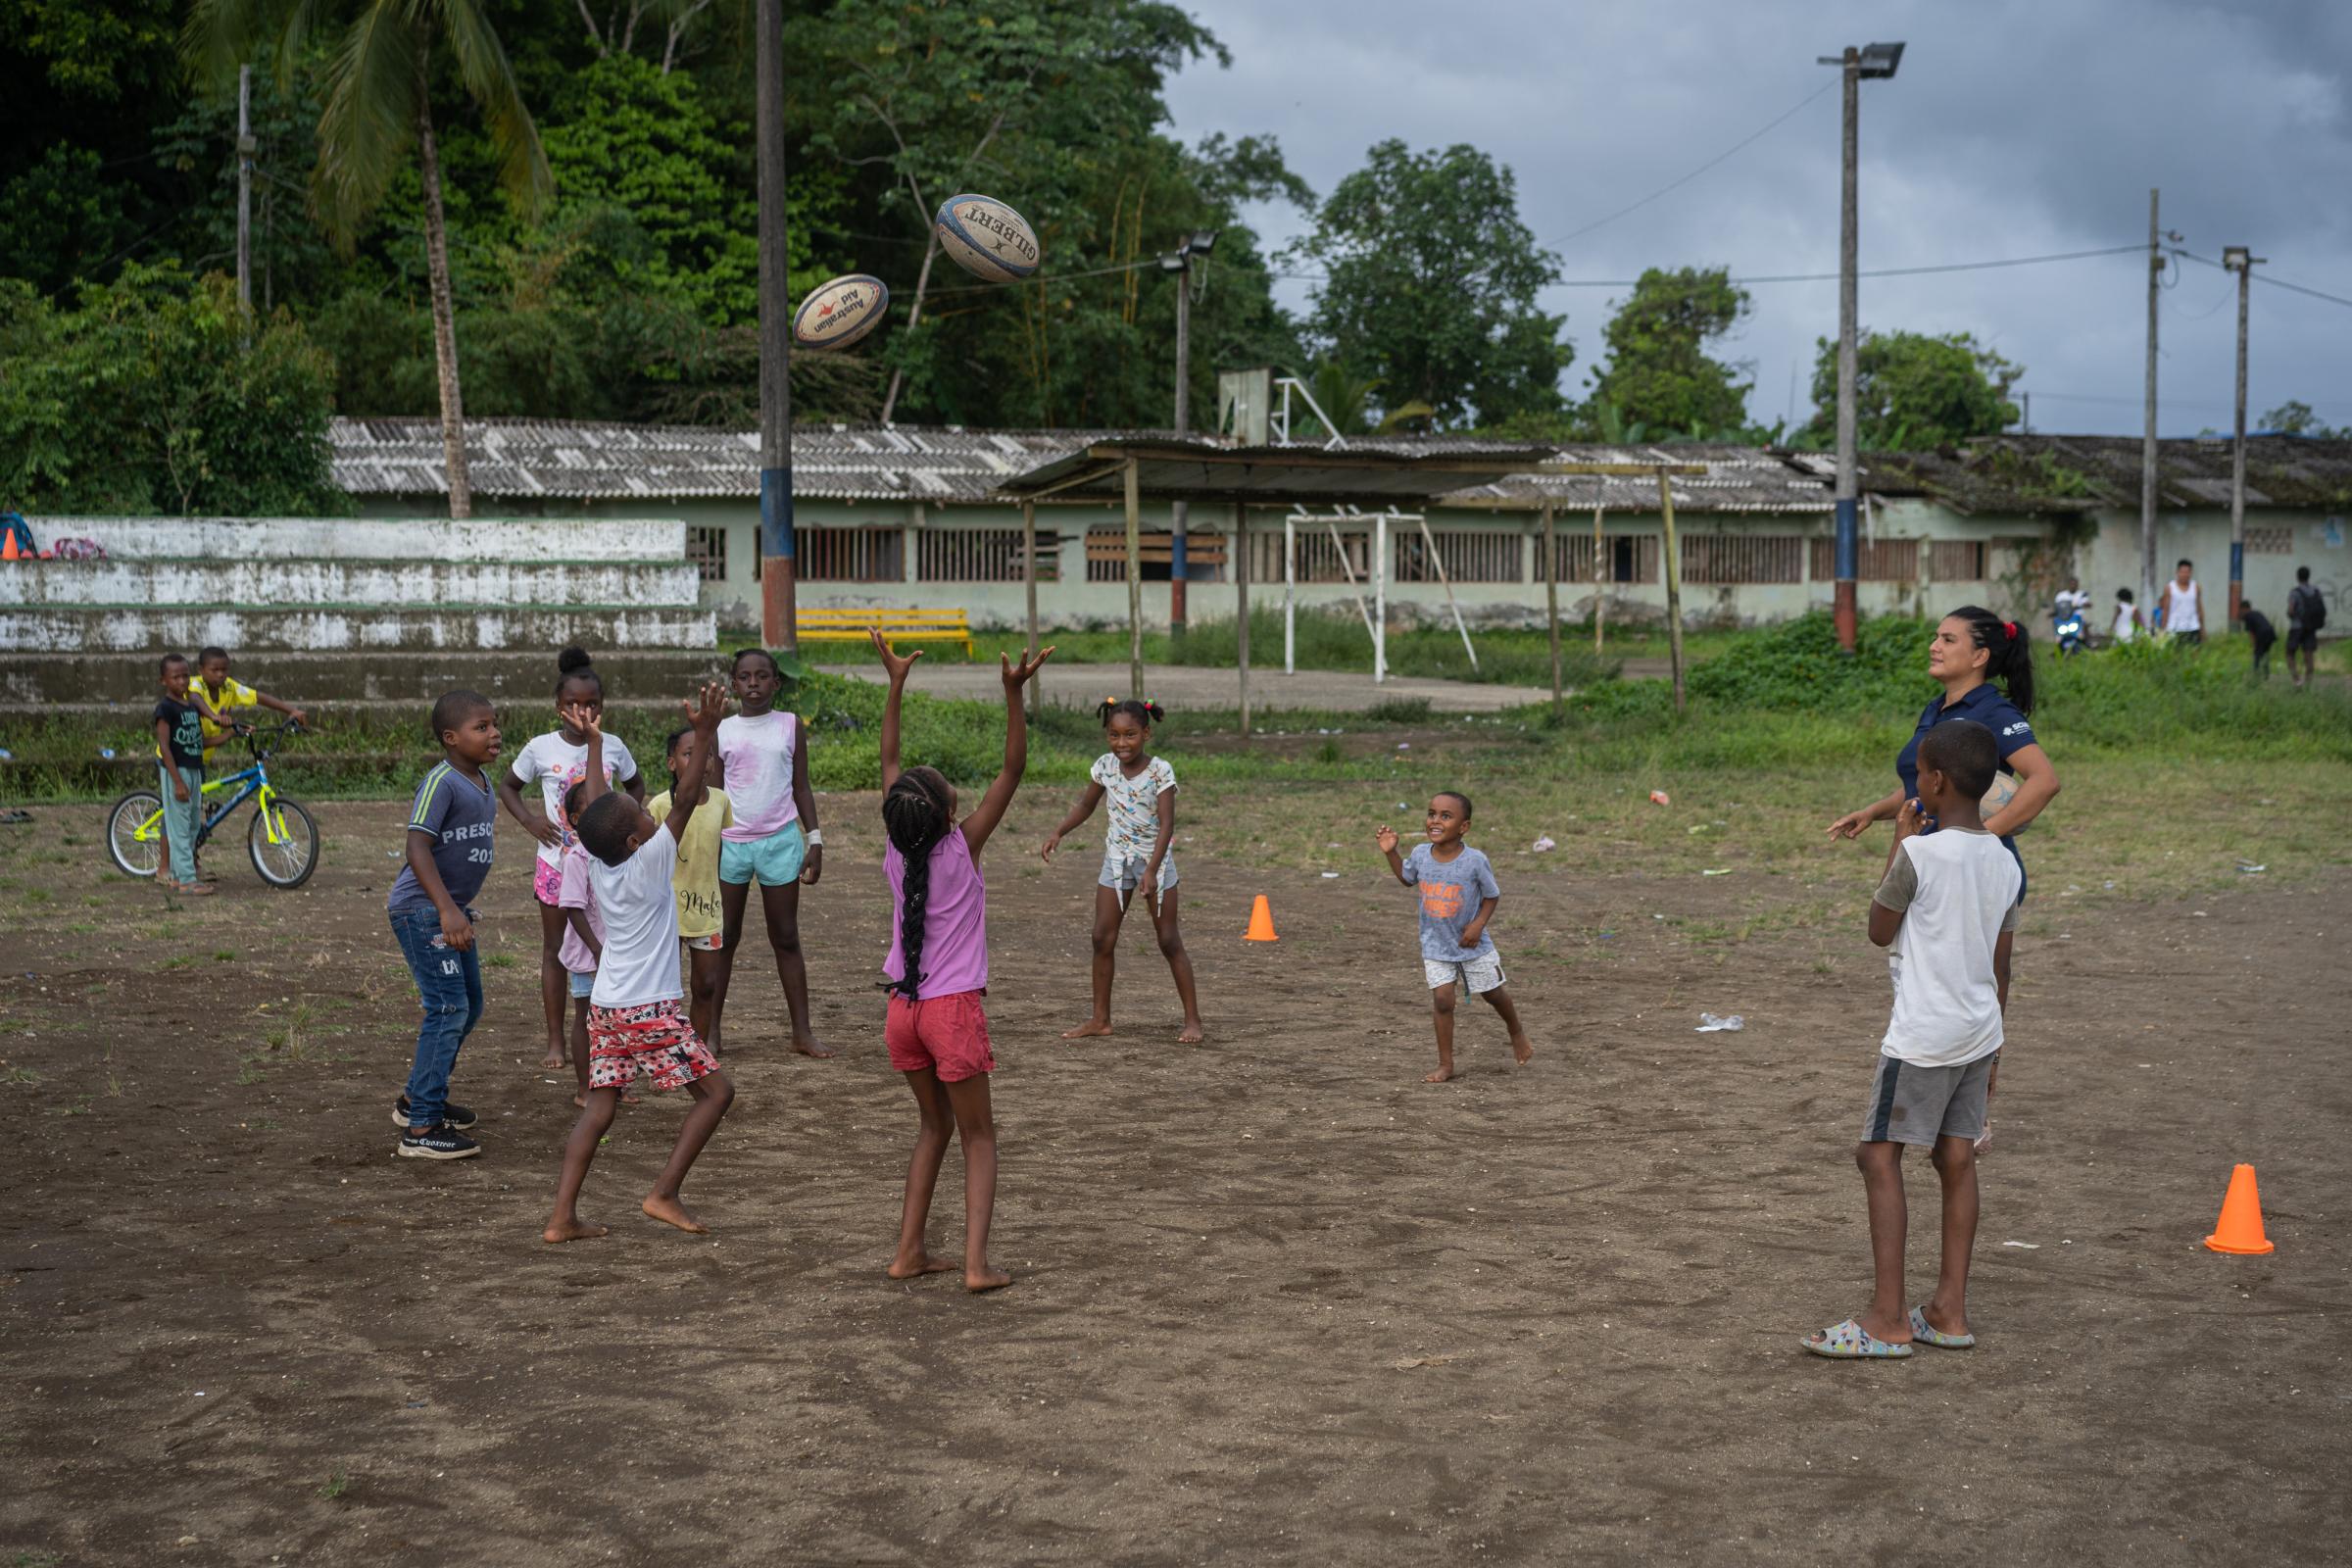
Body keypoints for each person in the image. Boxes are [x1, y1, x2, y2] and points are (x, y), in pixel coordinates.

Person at [1805, 720, 2019, 1358]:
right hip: (1979, 1029)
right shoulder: (2004, 864)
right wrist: (1996, 1052)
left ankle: (1886, 1318)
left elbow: (1879, 928)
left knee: (1878, 1157)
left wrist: (1899, 843)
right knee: (1956, 1159)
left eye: (1919, 773)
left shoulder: (1921, 856)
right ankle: (1948, 1312)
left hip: (1924, 1036)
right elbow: (2002, 965)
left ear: (1935, 782)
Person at [869, 627, 1054, 1293]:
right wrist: (1013, 696)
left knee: (932, 1128)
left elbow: (889, 763)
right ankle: (976, 1265)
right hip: (950, 1012)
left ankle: (908, 1253)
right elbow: (1013, 771)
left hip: (902, 1010)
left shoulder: (897, 845)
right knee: (979, 1137)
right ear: (951, 815)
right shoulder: (962, 846)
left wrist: (895, 685)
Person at [543, 687, 736, 1244]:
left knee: (599, 1109)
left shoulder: (601, 860)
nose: (654, 818)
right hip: (647, 1009)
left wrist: (597, 745)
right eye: (643, 819)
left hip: (605, 1008)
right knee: (718, 1094)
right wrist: (704, 734)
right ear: (636, 838)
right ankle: (664, 1192)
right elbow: (687, 795)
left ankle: (562, 1218)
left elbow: (601, 805)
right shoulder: (652, 859)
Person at [1829, 607, 2060, 906]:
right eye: (1936, 637)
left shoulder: (1994, 712)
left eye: (1948, 640)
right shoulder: (1935, 709)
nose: (1934, 646)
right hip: (1930, 859)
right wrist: (1871, 812)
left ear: (1979, 657)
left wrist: (1984, 837)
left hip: (1973, 872)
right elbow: (1922, 784)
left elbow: (2045, 781)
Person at [499, 648, 644, 1073]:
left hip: (603, 866)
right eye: (573, 704)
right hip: (556, 862)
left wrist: (623, 827)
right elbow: (508, 787)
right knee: (555, 950)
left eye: (592, 704)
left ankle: (604, 1033)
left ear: (603, 706)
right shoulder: (541, 748)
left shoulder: (612, 746)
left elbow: (636, 787)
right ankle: (556, 1040)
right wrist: (530, 821)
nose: (582, 711)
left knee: (605, 947)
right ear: (558, 706)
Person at [1041, 698, 1206, 1044]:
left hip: (1155, 863)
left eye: (1130, 735)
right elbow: (1087, 804)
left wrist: (1151, 869)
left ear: (1146, 733)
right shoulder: (1105, 767)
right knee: (1101, 938)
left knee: (1168, 940)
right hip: (1116, 862)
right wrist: (1059, 831)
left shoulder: (1160, 771)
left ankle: (1193, 1020)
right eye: (1114, 735)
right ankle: (1100, 1019)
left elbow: (1167, 824)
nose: (1121, 744)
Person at [387, 691, 503, 1159]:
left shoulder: (482, 781)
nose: (494, 733)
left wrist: (457, 908)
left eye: (495, 724)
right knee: (447, 1008)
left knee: (468, 1006)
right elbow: (417, 848)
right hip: (423, 911)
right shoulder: (442, 782)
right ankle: (422, 1129)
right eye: (482, 727)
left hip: (448, 910)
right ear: (451, 738)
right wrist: (447, 910)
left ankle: (419, 1096)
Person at [713, 648, 827, 1058]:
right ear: (734, 684)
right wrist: (709, 845)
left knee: (786, 937)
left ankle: (802, 1032)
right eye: (745, 677)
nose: (754, 684)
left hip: (780, 842)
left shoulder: (790, 726)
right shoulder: (723, 731)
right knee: (723, 939)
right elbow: (714, 793)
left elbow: (801, 786)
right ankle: (711, 1032)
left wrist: (814, 840)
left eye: (762, 677)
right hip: (732, 845)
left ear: (776, 684)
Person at [1376, 792, 1536, 1084]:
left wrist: (1477, 926)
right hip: (1436, 945)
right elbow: (1407, 878)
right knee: (1442, 1001)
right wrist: (1391, 852)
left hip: (1473, 945)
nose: (1435, 821)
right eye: (1432, 813)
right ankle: (1445, 1064)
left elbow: (1492, 895)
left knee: (1493, 993)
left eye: (1446, 816)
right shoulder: (1422, 853)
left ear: (1464, 827)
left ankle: (1515, 1030)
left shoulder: (1474, 861)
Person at [647, 725, 734, 1055]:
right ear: (672, 763)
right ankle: (661, 1051)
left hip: (707, 910)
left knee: (706, 985)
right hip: (666, 913)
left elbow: (716, 852)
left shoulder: (721, 802)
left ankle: (696, 1051)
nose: (702, 761)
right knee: (663, 989)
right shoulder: (658, 806)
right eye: (690, 754)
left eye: (707, 753)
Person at [187, 647, 308, 883]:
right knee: (185, 813)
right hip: (183, 755)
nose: (220, 674)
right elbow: (194, 699)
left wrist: (290, 710)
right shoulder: (195, 687)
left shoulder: (229, 688)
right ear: (201, 671)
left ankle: (191, 860)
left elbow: (258, 696)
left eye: (224, 669)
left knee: (193, 810)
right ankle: (177, 865)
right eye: (215, 670)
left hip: (202, 755)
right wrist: (214, 717)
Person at [554, 779, 633, 1108]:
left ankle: (619, 1085)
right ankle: (585, 1087)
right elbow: (573, 907)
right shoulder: (577, 858)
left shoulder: (623, 853)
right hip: (590, 953)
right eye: (591, 804)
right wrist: (598, 950)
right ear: (574, 819)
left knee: (621, 1018)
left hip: (618, 952)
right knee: (585, 1017)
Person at [151, 654, 237, 897]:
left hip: (194, 769)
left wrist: (230, 734)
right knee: (178, 827)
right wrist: (177, 781)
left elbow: (201, 741)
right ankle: (189, 881)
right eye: (175, 677)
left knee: (191, 826)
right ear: (163, 681)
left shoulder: (190, 707)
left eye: (185, 676)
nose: (182, 681)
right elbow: (165, 746)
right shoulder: (165, 709)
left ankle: (179, 876)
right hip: (176, 772)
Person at [2285, 566, 2328, 689]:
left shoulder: (2295, 592)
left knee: (2289, 653)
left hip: (2297, 627)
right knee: (2308, 654)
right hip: (2311, 628)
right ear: (2308, 576)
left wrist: (2290, 614)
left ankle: (2297, 681)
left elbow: (2291, 610)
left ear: (2297, 576)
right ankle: (2308, 683)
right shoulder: (2316, 590)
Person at [2161, 559, 2205, 646]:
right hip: (2174, 628)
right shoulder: (2169, 588)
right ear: (2177, 572)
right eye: (2182, 572)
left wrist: (2202, 628)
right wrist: (2163, 629)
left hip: (2193, 627)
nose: (2185, 575)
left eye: (2187, 572)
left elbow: (2199, 608)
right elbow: (2166, 609)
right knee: (2176, 656)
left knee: (2195, 655)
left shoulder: (2196, 587)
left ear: (2191, 573)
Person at [2239, 601, 2278, 679]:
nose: (2241, 612)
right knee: (2265, 654)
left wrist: (2254, 645)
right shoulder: (2257, 612)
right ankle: (2266, 674)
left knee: (2257, 655)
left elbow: (2251, 633)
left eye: (2241, 610)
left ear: (2244, 609)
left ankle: (2256, 675)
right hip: (2270, 633)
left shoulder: (2247, 616)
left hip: (2262, 634)